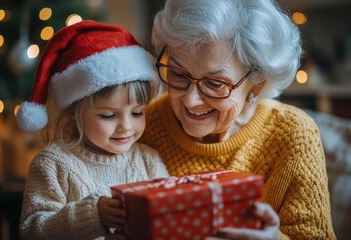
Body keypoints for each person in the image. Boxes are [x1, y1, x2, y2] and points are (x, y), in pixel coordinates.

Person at [140, 0, 336, 239]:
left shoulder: (294, 134)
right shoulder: (143, 123)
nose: (190, 100)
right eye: (178, 74)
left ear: (257, 84)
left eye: (215, 83)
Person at [16, 20, 169, 240]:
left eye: (137, 113)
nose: (126, 126)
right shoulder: (53, 164)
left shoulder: (149, 161)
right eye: (108, 115)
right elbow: (32, 230)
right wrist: (93, 215)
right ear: (73, 113)